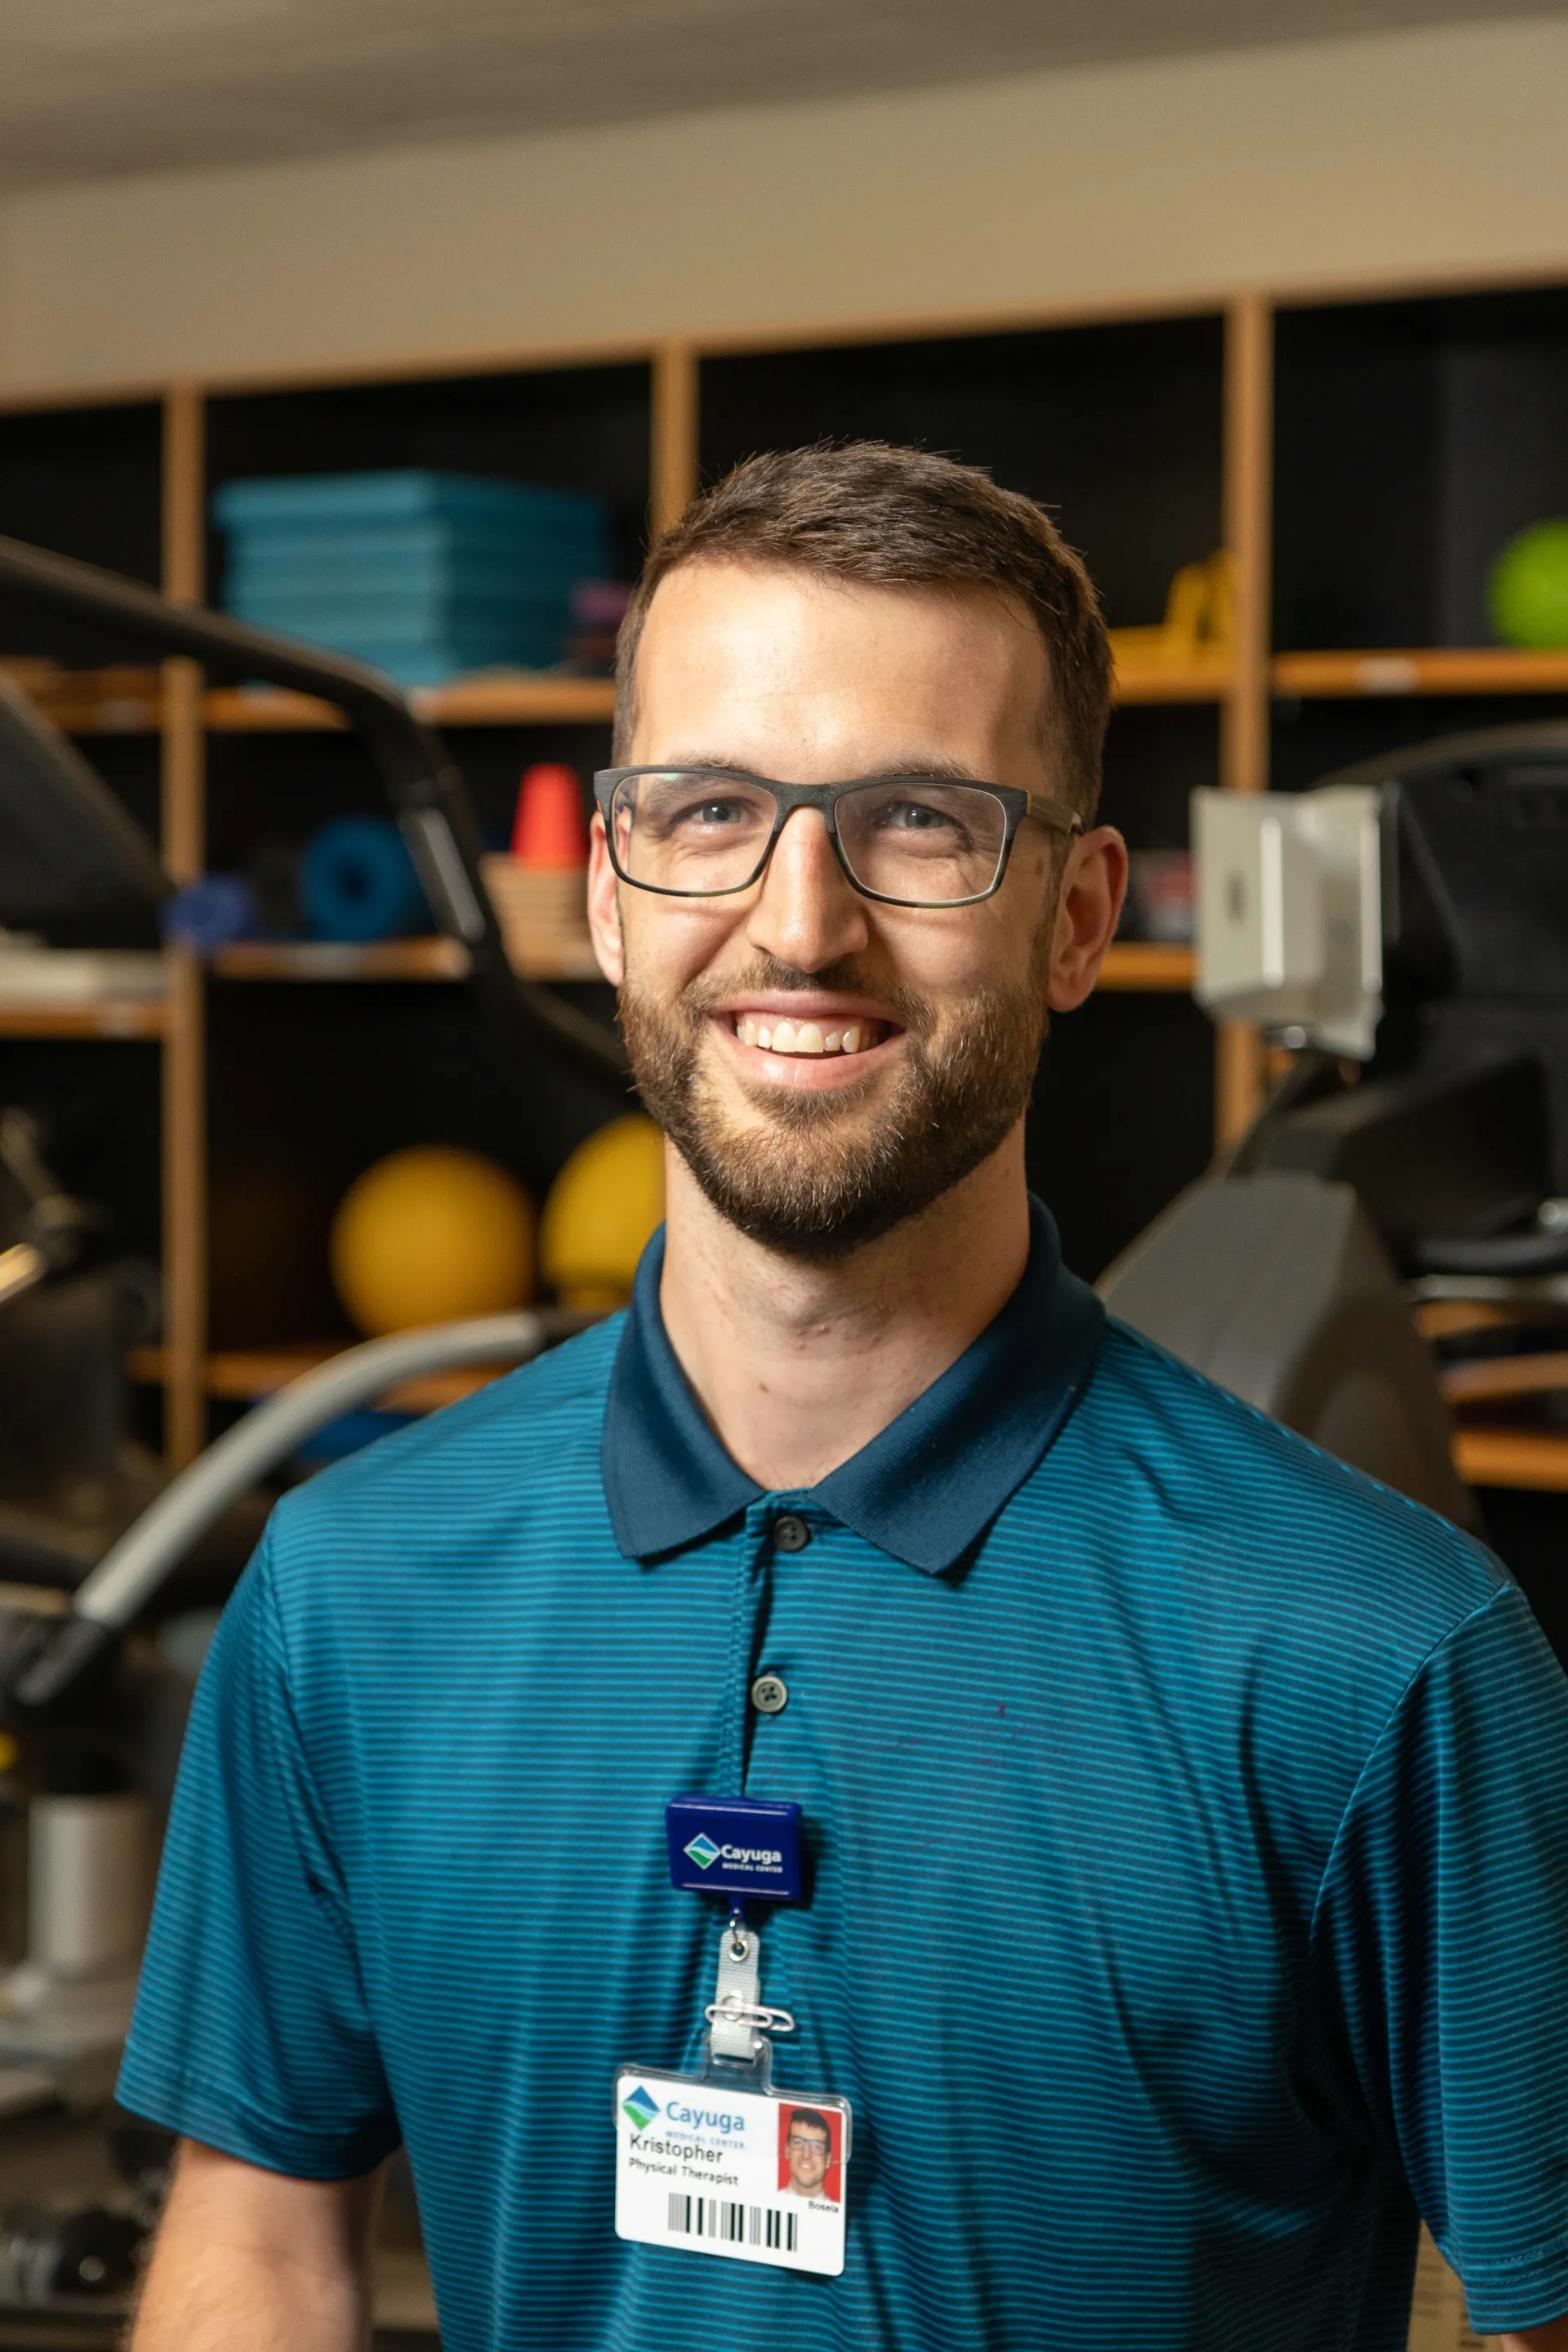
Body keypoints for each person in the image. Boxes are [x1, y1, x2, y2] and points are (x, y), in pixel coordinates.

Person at [121, 442, 1568, 2352]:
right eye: (712, 808)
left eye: (914, 821)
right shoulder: (349, 1594)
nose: (799, 924)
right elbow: (265, 2246)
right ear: (615, 892)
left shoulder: (1378, 1656)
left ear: (1074, 916)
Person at [782, 2109, 835, 2201]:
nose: (806, 2155)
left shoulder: (843, 2212)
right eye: (798, 2143)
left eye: (817, 2147)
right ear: (787, 2151)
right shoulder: (764, 2201)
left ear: (828, 2160)